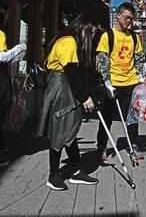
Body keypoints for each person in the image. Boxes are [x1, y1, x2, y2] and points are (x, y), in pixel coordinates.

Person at [37, 14, 99, 190]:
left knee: (68, 128)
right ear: (83, 28)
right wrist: (84, 97)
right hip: (60, 87)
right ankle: (53, 175)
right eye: (92, 32)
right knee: (60, 130)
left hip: (62, 86)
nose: (92, 36)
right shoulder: (69, 42)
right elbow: (71, 72)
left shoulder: (68, 41)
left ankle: (76, 171)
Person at [96, 2, 146, 162]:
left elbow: (138, 58)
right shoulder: (108, 36)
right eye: (126, 18)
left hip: (130, 82)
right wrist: (106, 81)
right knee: (107, 117)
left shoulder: (133, 37)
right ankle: (102, 146)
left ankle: (133, 144)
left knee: (132, 116)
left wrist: (140, 76)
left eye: (131, 19)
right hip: (113, 83)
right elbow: (103, 60)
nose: (129, 22)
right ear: (118, 16)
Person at [0, 2, 26, 168]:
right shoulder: (0, 34)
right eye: (7, 14)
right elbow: (1, 57)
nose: (9, 18)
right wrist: (19, 48)